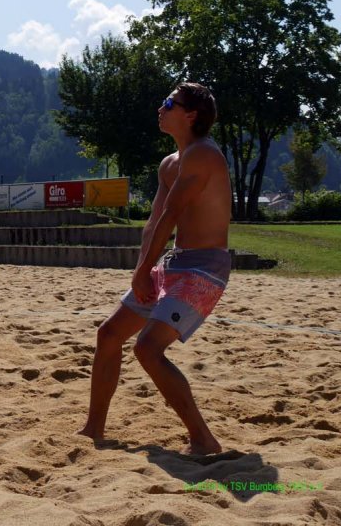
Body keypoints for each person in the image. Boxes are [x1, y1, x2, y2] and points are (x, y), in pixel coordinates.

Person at [77, 83, 232, 455]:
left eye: (168, 103)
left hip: (205, 268)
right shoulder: (170, 163)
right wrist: (143, 268)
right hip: (175, 263)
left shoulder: (203, 155)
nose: (160, 108)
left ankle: (203, 439)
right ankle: (93, 428)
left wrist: (144, 269)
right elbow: (153, 223)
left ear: (190, 115)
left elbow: (172, 215)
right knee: (109, 334)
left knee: (147, 349)